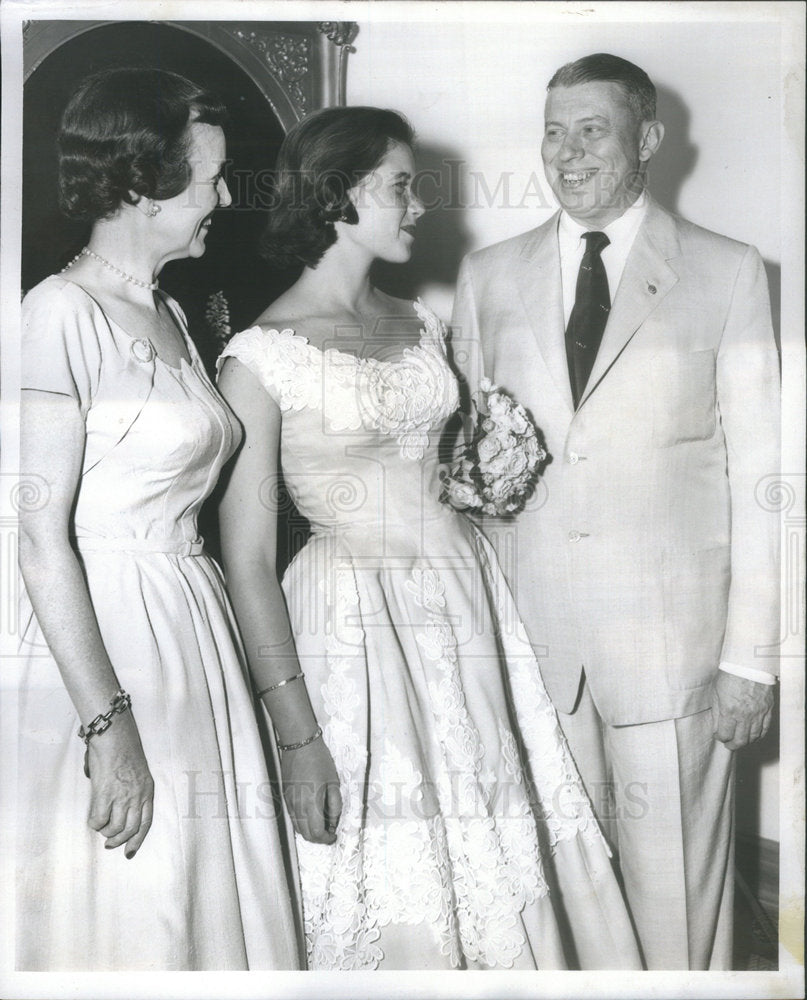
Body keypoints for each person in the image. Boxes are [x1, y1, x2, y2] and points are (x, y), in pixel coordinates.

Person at [216, 105, 642, 971]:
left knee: (497, 830)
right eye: (402, 188)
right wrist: (296, 735)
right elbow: (248, 562)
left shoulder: (421, 321)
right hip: (351, 625)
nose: (419, 209)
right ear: (338, 193)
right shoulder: (258, 358)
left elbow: (450, 463)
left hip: (465, 595)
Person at [450, 53, 780, 970]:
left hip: (672, 654)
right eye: (553, 131)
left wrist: (750, 660)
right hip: (533, 651)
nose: (566, 153)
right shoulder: (488, 276)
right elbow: (470, 465)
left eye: (590, 129)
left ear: (647, 139)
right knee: (558, 903)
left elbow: (765, 481)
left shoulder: (726, 272)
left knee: (674, 911)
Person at [17, 67, 300, 970]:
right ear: (141, 184)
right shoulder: (56, 315)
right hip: (104, 637)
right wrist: (109, 726)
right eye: (209, 177)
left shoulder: (171, 309)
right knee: (136, 912)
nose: (223, 195)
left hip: (191, 624)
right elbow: (33, 538)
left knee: (209, 899)